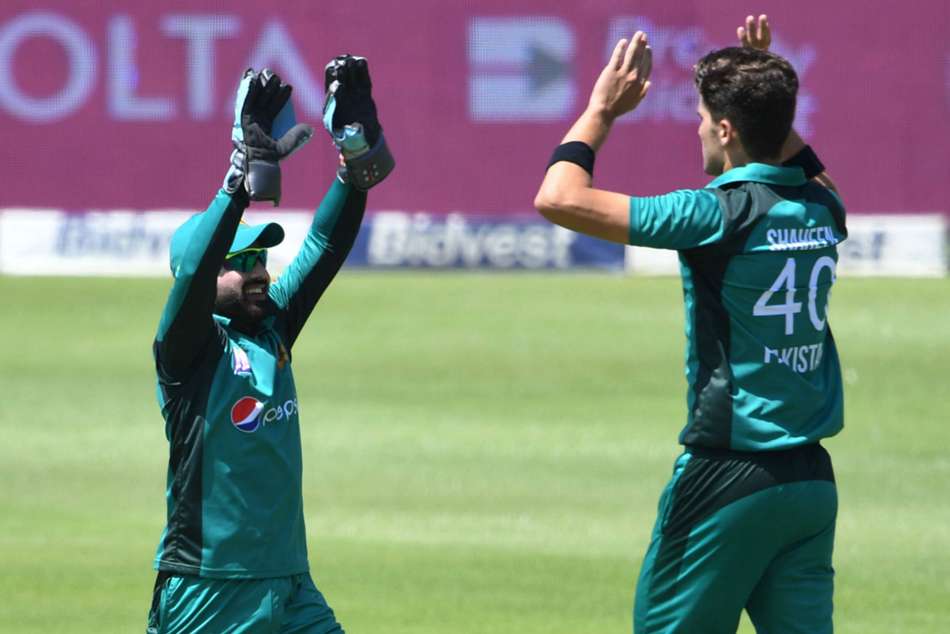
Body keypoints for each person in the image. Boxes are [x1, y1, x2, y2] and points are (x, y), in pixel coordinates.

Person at [534, 15, 845, 634]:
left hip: (727, 477)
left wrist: (601, 111)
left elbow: (558, 197)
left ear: (726, 130)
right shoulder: (823, 207)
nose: (698, 128)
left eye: (703, 117)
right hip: (810, 484)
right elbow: (809, 169)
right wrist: (765, 96)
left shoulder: (717, 213)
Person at [147, 56, 393, 634]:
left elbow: (324, 246)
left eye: (262, 259)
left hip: (291, 585)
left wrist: (354, 163)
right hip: (208, 590)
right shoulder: (186, 352)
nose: (260, 272)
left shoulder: (272, 328)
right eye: (243, 263)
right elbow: (195, 271)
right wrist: (239, 181)